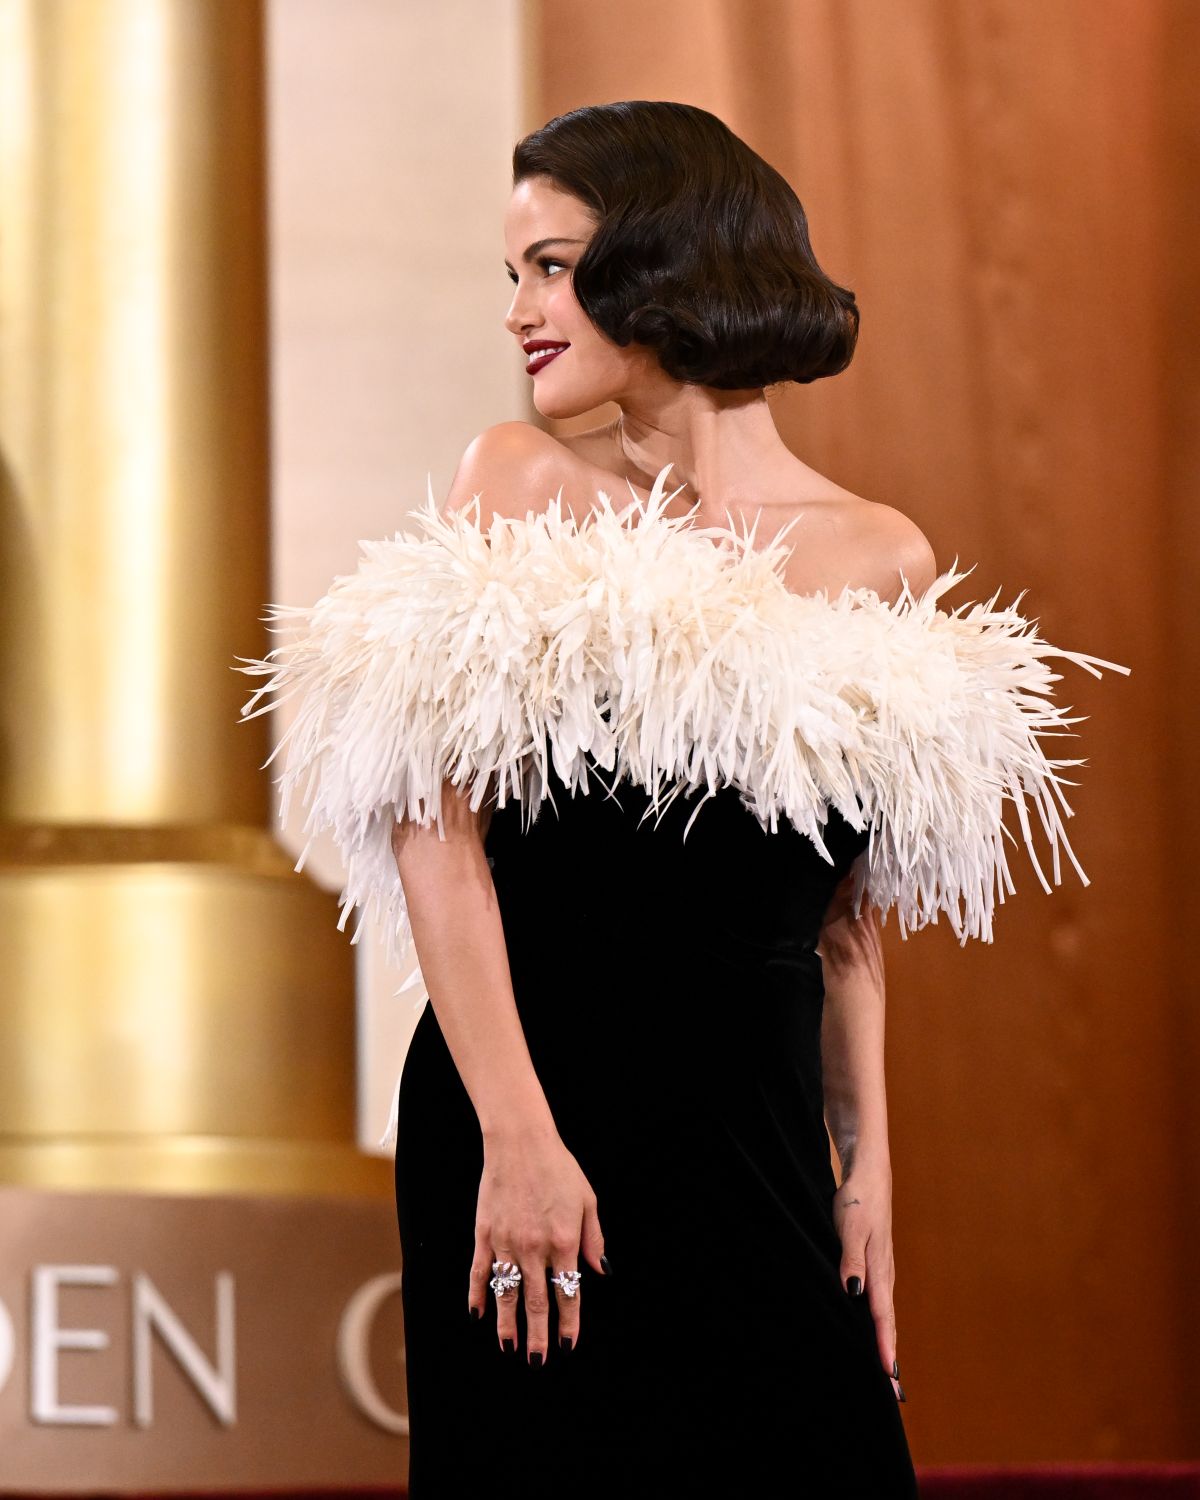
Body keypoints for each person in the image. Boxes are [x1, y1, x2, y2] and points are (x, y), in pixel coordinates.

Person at [238, 101, 1129, 1498]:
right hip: (540, 1102)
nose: (522, 312)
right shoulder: (520, 482)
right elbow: (435, 831)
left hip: (759, 1130)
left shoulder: (878, 557)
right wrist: (519, 1142)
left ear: (664, 261)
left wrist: (871, 1175)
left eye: (552, 265)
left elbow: (843, 924)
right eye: (512, 275)